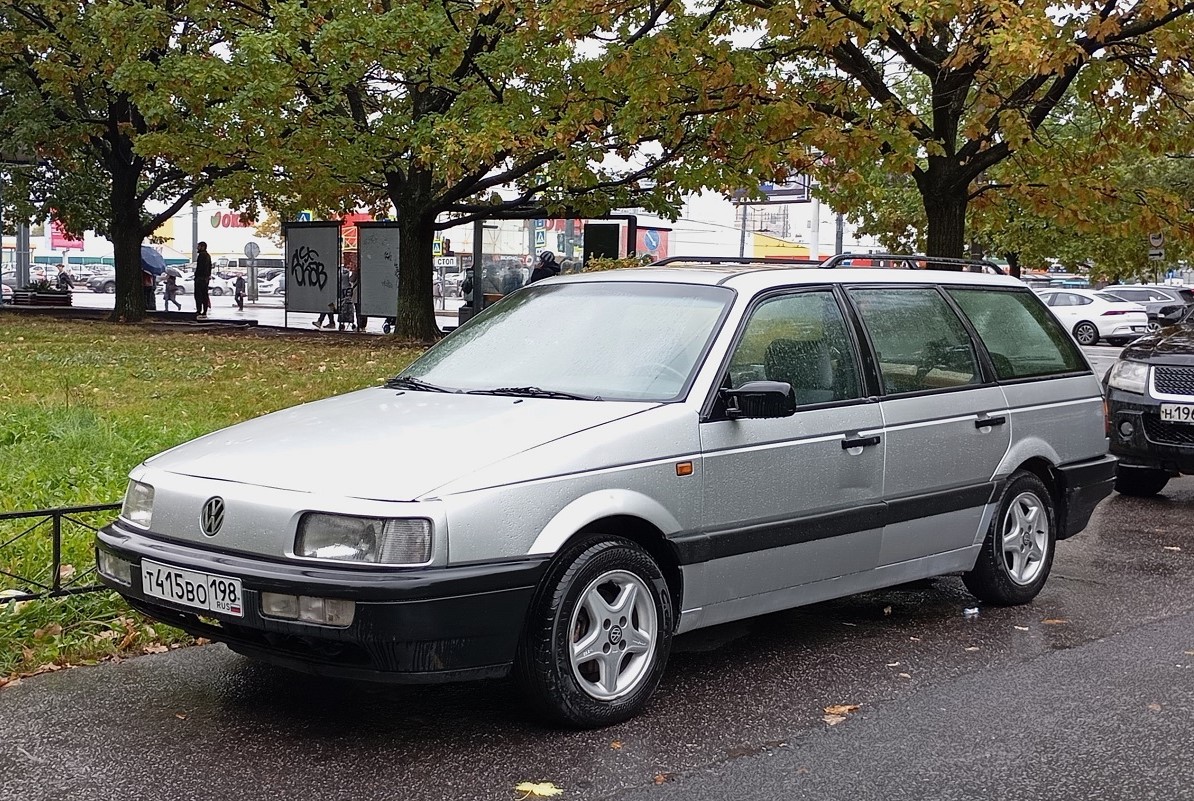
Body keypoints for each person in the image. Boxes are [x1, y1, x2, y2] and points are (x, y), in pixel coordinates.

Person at [194, 241, 212, 319]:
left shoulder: (202, 256)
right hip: (205, 278)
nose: (197, 248)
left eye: (199, 246)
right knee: (205, 295)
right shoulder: (208, 256)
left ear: (203, 247)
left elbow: (200, 268)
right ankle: (204, 310)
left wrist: (197, 276)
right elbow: (210, 267)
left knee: (198, 295)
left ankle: (199, 310)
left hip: (200, 278)